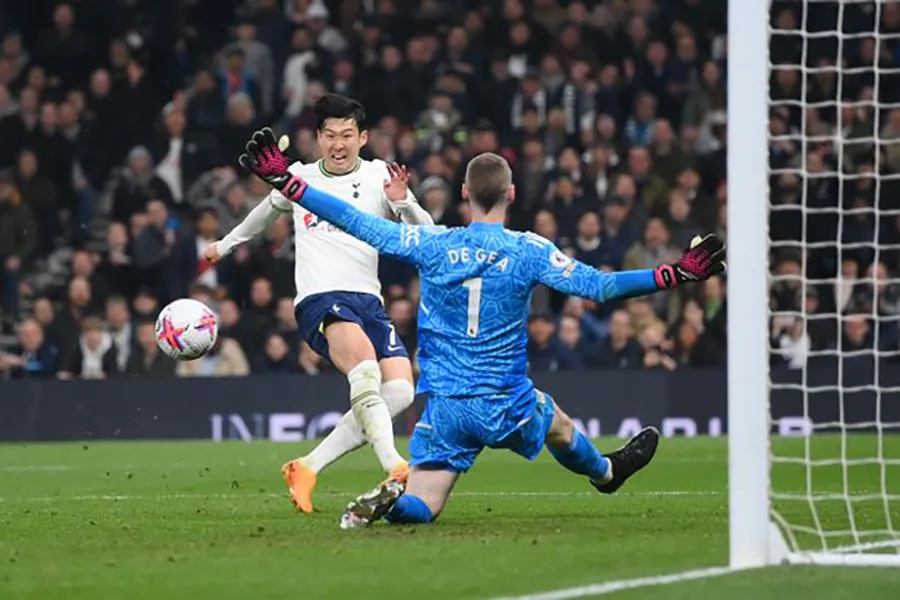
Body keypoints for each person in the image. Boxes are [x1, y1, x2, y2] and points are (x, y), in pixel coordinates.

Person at [239, 138, 726, 528]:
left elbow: (360, 223)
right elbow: (599, 287)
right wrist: (672, 275)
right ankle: (606, 472)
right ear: (512, 194)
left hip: (446, 405)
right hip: (504, 399)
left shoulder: (432, 243)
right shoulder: (530, 250)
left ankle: (396, 505)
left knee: (425, 503)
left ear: (465, 195)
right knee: (556, 422)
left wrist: (289, 182)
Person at [205, 95, 434, 513]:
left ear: (363, 138)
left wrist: (402, 202)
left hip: (369, 300)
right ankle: (396, 466)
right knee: (364, 367)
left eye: (347, 134)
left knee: (399, 391)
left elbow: (429, 237)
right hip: (320, 298)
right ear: (318, 138)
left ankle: (307, 467)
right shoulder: (299, 177)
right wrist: (225, 244)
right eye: (330, 135)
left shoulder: (381, 175)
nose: (339, 144)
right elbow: (262, 215)